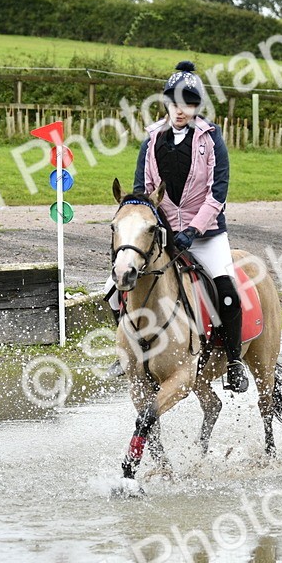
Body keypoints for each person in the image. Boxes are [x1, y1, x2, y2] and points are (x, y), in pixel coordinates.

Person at [104, 60, 248, 393]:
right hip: (161, 235)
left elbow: (218, 194)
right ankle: (125, 352)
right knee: (112, 291)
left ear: (196, 106)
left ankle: (235, 360)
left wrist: (194, 231)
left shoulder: (212, 140)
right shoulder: (152, 141)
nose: (179, 110)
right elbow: (140, 193)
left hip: (206, 235)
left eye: (187, 103)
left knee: (227, 291)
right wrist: (157, 228)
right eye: (173, 102)